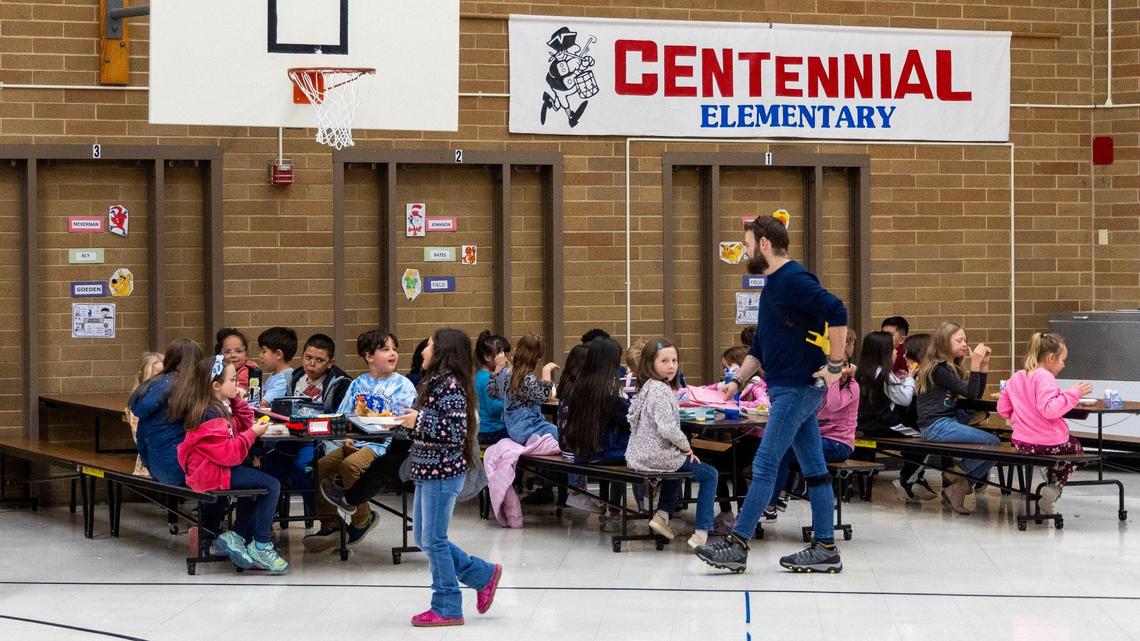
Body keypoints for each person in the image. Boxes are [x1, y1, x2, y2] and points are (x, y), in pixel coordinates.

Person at [695, 211, 848, 574]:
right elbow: (762, 345)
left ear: (764, 244)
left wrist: (836, 365)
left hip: (797, 388)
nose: (746, 251)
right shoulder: (771, 286)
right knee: (815, 470)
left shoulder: (793, 278)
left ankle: (737, 543)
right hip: (787, 388)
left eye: (748, 245)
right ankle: (825, 547)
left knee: (765, 463)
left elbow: (837, 308)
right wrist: (736, 382)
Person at [404, 328, 502, 627]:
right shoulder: (434, 382)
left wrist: (418, 420)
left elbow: (456, 432)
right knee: (424, 537)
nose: (423, 351)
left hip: (442, 472)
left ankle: (446, 604)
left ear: (443, 351)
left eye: (429, 345)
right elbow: (435, 424)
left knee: (433, 539)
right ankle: (481, 574)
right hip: (427, 469)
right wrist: (410, 420)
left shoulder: (449, 385)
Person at [304, 329, 416, 551]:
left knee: (350, 466)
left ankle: (363, 519)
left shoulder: (403, 385)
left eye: (394, 349)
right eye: (385, 349)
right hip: (355, 443)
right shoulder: (357, 384)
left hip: (382, 447)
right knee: (321, 467)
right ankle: (332, 526)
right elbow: (344, 415)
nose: (393, 353)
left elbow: (400, 421)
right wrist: (345, 437)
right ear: (368, 356)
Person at [174, 355, 286, 573]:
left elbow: (244, 420)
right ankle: (261, 544)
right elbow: (230, 454)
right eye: (233, 380)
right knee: (272, 485)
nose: (238, 384)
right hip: (212, 474)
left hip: (217, 469)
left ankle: (235, 536)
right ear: (216, 385)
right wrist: (253, 434)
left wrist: (236, 398)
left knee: (257, 481)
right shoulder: (209, 415)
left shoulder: (218, 406)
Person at [627, 339, 719, 549]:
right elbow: (667, 429)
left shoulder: (648, 386)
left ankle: (662, 515)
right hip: (655, 456)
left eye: (674, 360)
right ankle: (702, 532)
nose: (671, 365)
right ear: (651, 363)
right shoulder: (661, 390)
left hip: (640, 454)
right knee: (709, 474)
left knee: (677, 463)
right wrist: (687, 447)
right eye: (664, 361)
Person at [997, 332, 1093, 514]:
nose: (1064, 365)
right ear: (1051, 358)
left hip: (1022, 443)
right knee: (1076, 449)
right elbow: (1049, 410)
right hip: (1049, 442)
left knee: (1053, 457)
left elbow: (1003, 409)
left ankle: (1050, 483)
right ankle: (1054, 487)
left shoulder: (1016, 377)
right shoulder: (1045, 377)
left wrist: (1021, 414)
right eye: (1062, 360)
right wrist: (1074, 393)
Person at [915, 321, 1000, 515]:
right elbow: (971, 393)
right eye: (959, 340)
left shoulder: (950, 367)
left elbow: (975, 393)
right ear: (945, 342)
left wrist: (983, 366)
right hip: (935, 425)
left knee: (995, 446)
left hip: (947, 422)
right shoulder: (939, 369)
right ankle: (955, 474)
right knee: (993, 444)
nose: (964, 344)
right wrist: (976, 364)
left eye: (965, 340)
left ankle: (958, 488)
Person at [766, 350, 857, 520]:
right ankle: (778, 496)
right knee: (785, 447)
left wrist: (834, 380)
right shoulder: (821, 385)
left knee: (786, 451)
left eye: (842, 365)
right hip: (822, 437)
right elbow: (812, 408)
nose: (837, 369)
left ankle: (773, 501)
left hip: (839, 444)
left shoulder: (852, 386)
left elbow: (834, 404)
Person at [855, 331, 935, 501]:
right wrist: (910, 378)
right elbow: (905, 399)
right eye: (892, 349)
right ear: (883, 352)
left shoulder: (862, 371)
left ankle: (915, 478)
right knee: (925, 438)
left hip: (866, 425)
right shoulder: (885, 375)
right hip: (886, 424)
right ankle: (907, 478)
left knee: (915, 436)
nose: (896, 352)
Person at [561, 337, 630, 514]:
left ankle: (613, 506)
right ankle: (619, 508)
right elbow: (629, 420)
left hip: (582, 453)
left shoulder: (578, 387)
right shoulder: (612, 391)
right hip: (604, 453)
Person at [129, 338, 203, 486]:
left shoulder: (150, 385)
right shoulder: (191, 389)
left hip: (156, 466)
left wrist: (148, 464)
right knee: (252, 474)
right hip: (180, 469)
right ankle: (215, 509)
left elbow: (141, 436)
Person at [489, 333, 559, 444]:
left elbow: (492, 393)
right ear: (537, 359)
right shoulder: (527, 379)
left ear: (516, 349)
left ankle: (536, 441)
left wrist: (497, 369)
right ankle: (536, 441)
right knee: (560, 434)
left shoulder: (505, 373)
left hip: (513, 430)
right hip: (531, 427)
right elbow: (548, 395)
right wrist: (546, 371)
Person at [125, 351, 164, 477]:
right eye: (156, 375)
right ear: (143, 377)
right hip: (150, 465)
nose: (162, 380)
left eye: (165, 374)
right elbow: (142, 439)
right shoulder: (139, 403)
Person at [474, 331, 510, 446]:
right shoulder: (486, 378)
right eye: (501, 355)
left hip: (488, 430)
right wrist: (510, 397)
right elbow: (494, 409)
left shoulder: (481, 375)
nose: (505, 360)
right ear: (488, 357)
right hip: (490, 431)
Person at [215, 328, 261, 400]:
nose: (233, 355)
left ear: (246, 355)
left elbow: (239, 390)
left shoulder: (249, 369)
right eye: (227, 352)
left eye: (238, 351)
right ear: (219, 355)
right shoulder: (216, 370)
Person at [257, 327, 297, 406]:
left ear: (278, 354)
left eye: (264, 351)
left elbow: (264, 404)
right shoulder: (274, 375)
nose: (260, 355)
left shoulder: (285, 379)